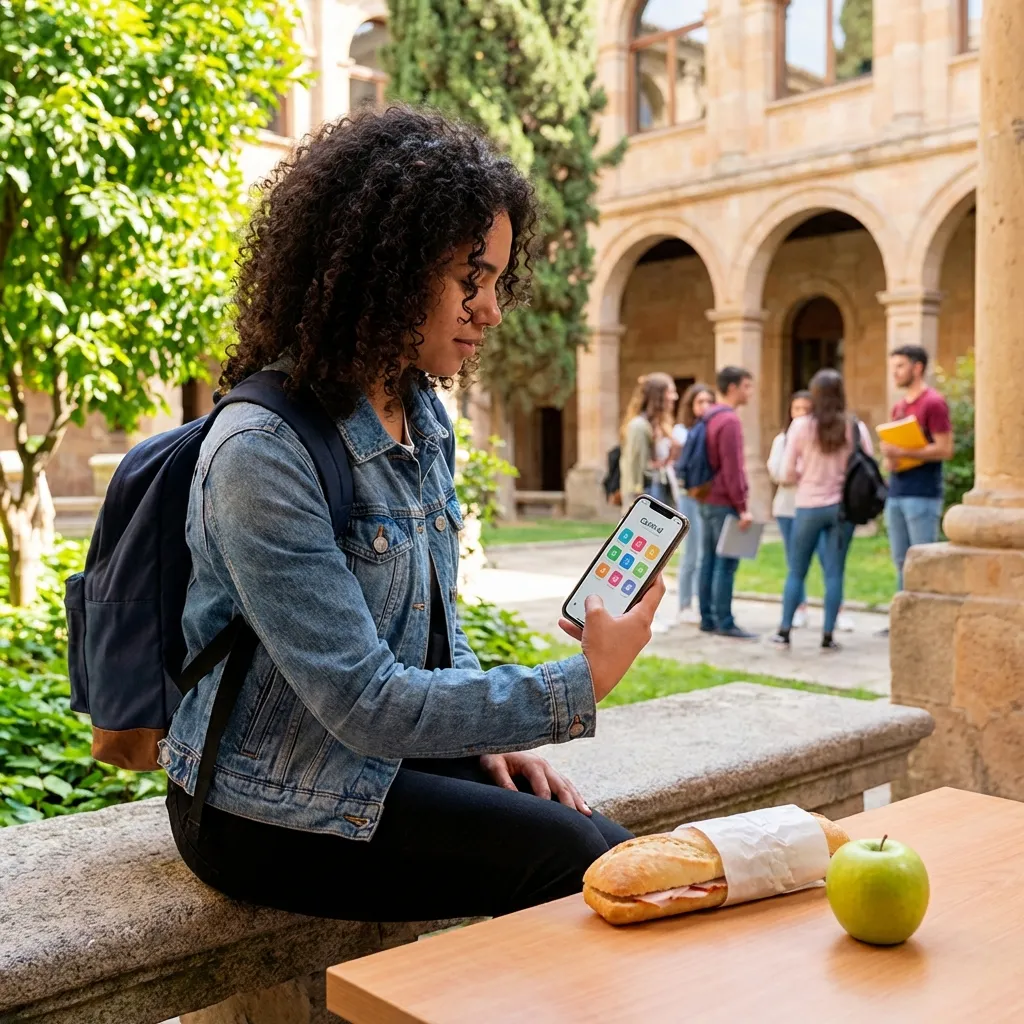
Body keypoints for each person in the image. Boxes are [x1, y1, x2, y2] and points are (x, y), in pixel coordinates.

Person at [161, 107, 666, 923]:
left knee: (610, 847)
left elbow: (435, 629)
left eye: (497, 281)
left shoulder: (418, 411)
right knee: (578, 864)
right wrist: (582, 681)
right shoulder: (262, 451)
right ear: (388, 269)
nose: (491, 310)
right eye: (472, 279)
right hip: (261, 803)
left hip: (378, 759)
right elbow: (366, 700)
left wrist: (488, 735)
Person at [770, 369, 873, 652]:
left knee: (796, 570)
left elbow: (786, 472)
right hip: (842, 509)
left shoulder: (801, 426)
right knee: (834, 572)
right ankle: (828, 635)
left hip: (808, 506)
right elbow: (868, 464)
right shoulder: (854, 427)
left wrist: (806, 473)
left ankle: (784, 631)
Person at [881, 345, 954, 591]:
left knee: (922, 562)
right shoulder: (899, 407)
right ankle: (903, 612)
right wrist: (890, 457)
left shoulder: (933, 403)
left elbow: (945, 448)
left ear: (917, 367)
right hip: (896, 492)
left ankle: (924, 613)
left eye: (900, 366)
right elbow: (895, 451)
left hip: (922, 494)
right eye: (893, 367)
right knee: (901, 562)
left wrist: (902, 452)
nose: (895, 372)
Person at [698, 366, 757, 640]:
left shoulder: (708, 416)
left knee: (708, 560)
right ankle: (725, 620)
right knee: (726, 562)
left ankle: (707, 618)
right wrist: (742, 506)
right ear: (732, 387)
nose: (750, 392)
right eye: (746, 386)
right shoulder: (729, 421)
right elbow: (733, 469)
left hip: (706, 498)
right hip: (724, 500)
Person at [656, 382, 714, 630]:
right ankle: (684, 605)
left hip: (708, 497)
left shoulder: (712, 429)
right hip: (688, 496)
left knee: (704, 554)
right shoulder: (681, 431)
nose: (705, 406)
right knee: (692, 552)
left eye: (709, 401)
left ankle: (701, 603)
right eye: (700, 402)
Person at [619, 372, 678, 508]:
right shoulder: (638, 425)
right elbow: (635, 469)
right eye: (670, 392)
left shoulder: (661, 425)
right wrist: (636, 505)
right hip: (646, 496)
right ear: (658, 395)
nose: (674, 397)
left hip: (660, 492)